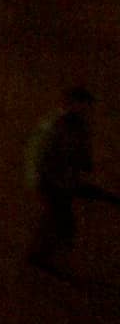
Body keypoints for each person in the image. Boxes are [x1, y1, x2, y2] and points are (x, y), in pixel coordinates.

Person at [26, 85, 106, 274]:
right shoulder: (56, 126)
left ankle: (41, 255)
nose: (86, 109)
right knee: (62, 220)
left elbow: (82, 154)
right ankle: (48, 258)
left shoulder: (79, 127)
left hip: (63, 180)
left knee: (56, 218)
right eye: (82, 104)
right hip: (53, 180)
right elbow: (41, 153)